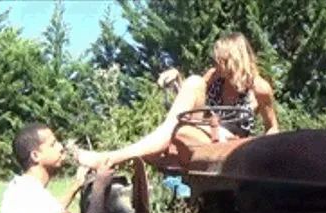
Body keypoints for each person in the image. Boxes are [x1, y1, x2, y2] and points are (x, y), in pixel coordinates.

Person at [74, 32, 280, 170]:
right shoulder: (215, 76)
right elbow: (191, 104)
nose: (216, 64)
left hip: (231, 147)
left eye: (221, 60)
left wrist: (255, 151)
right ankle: (130, 153)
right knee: (193, 82)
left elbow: (273, 129)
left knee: (170, 140)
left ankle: (111, 158)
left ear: (234, 59)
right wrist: (177, 80)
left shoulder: (259, 88)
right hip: (202, 132)